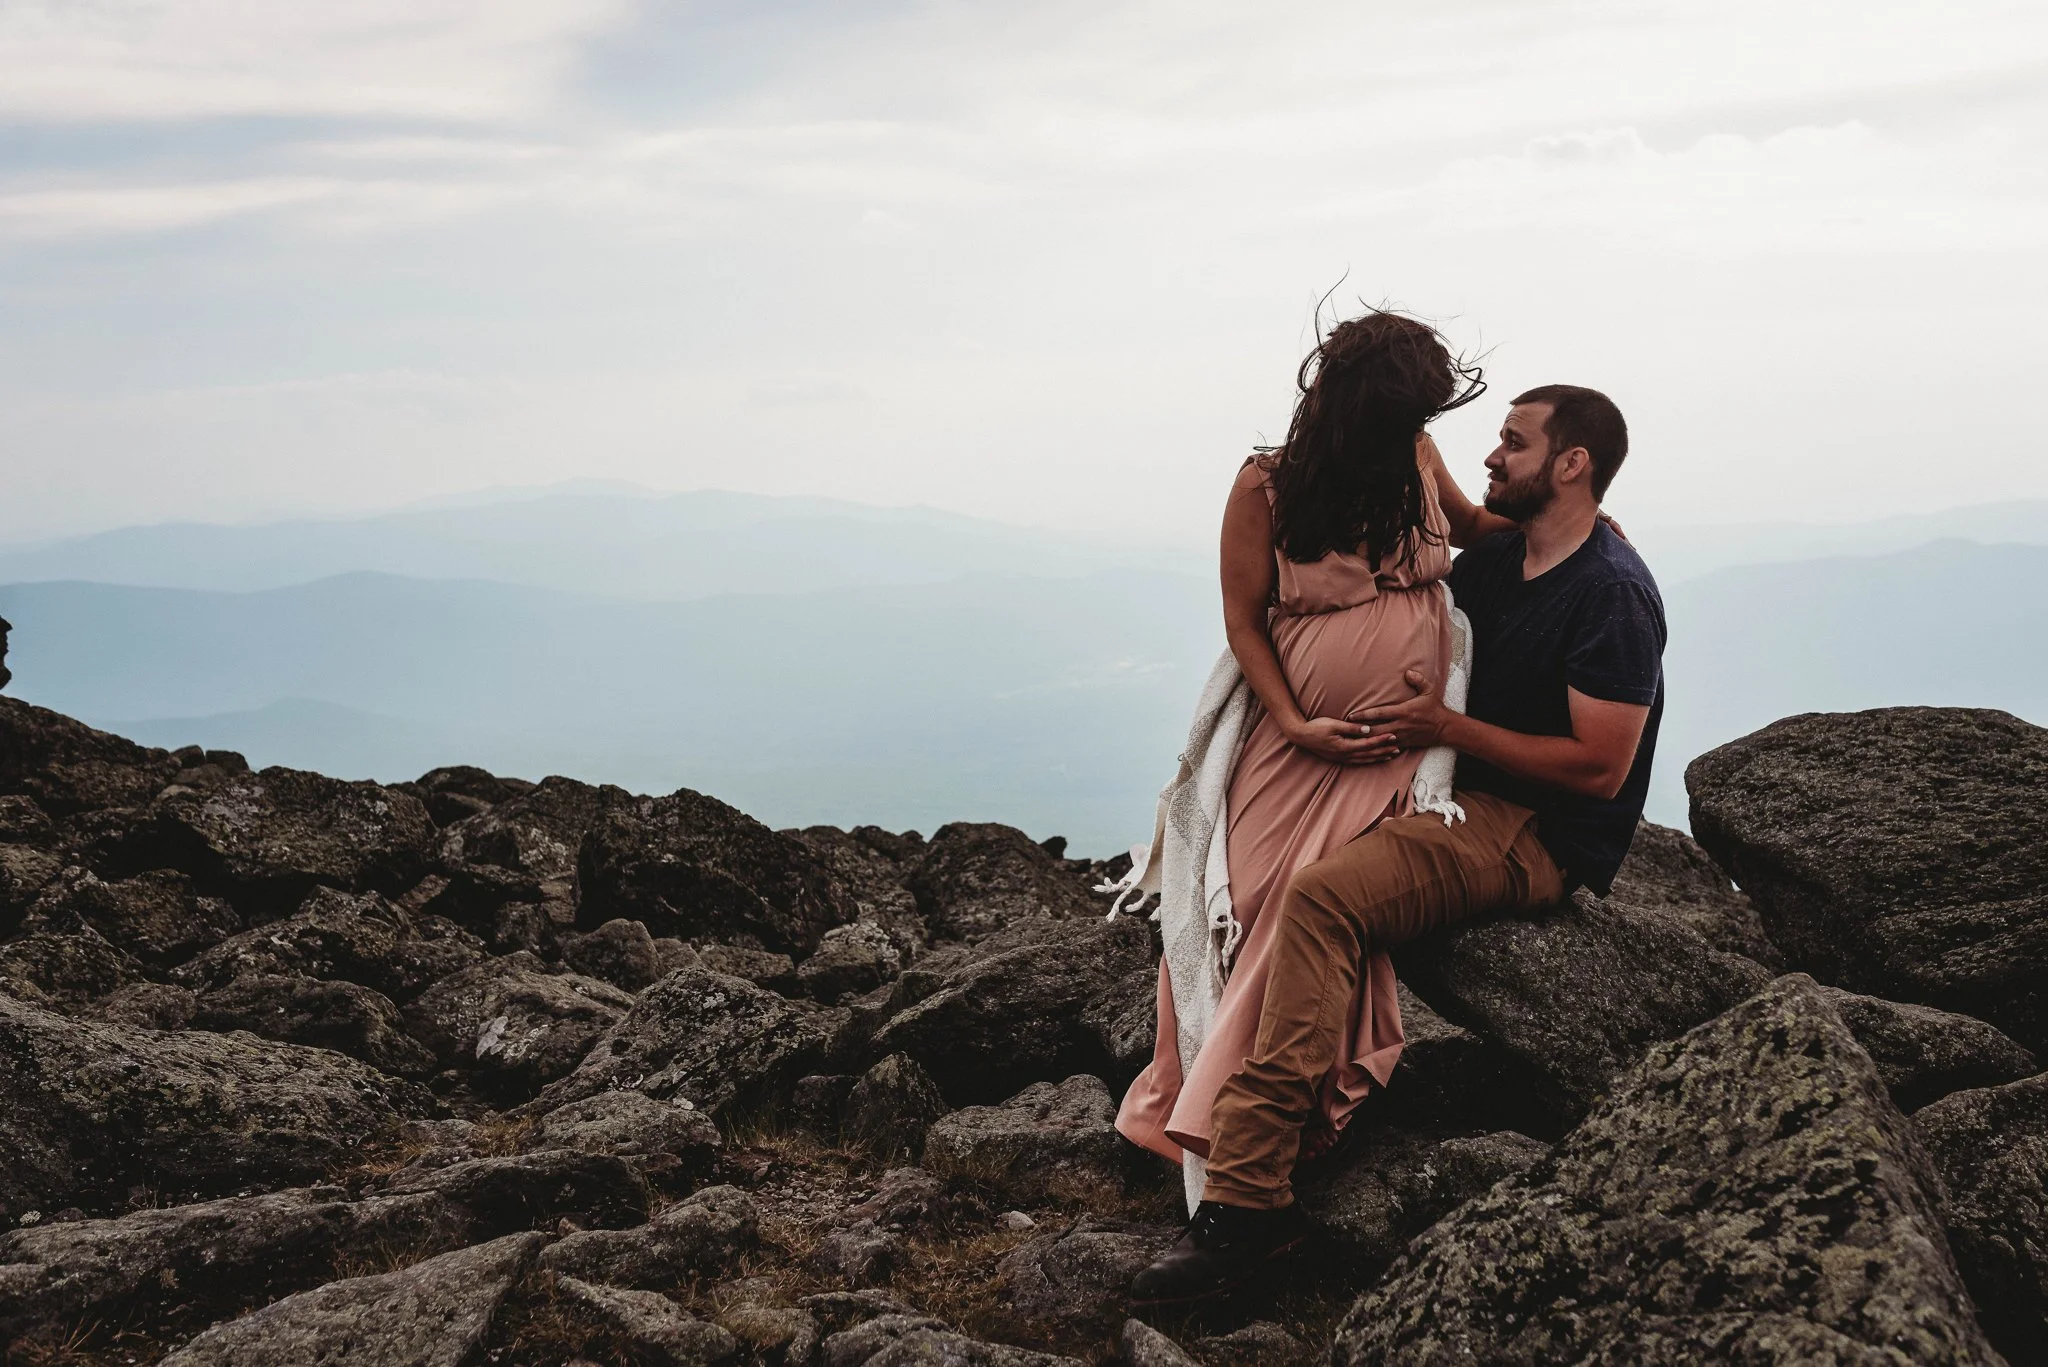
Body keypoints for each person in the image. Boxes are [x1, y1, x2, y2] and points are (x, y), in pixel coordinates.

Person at [1129, 382, 1666, 1303]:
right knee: (1268, 892)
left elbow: (1600, 770)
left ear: (1571, 465)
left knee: (1325, 898)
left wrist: (1442, 729)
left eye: (1513, 443)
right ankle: (1218, 1114)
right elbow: (1422, 564)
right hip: (1445, 794)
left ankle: (1248, 1201)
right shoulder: (1509, 560)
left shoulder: (1611, 593)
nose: (1490, 458)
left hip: (1530, 832)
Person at [1115, 311, 1507, 1211]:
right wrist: (1293, 722)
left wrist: (1584, 528)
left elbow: (1478, 525)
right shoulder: (1266, 485)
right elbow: (1245, 620)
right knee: (1246, 904)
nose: (1417, 427)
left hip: (1393, 749)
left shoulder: (1414, 456)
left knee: (1315, 904)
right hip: (1298, 746)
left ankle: (1249, 1129)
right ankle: (1188, 1104)